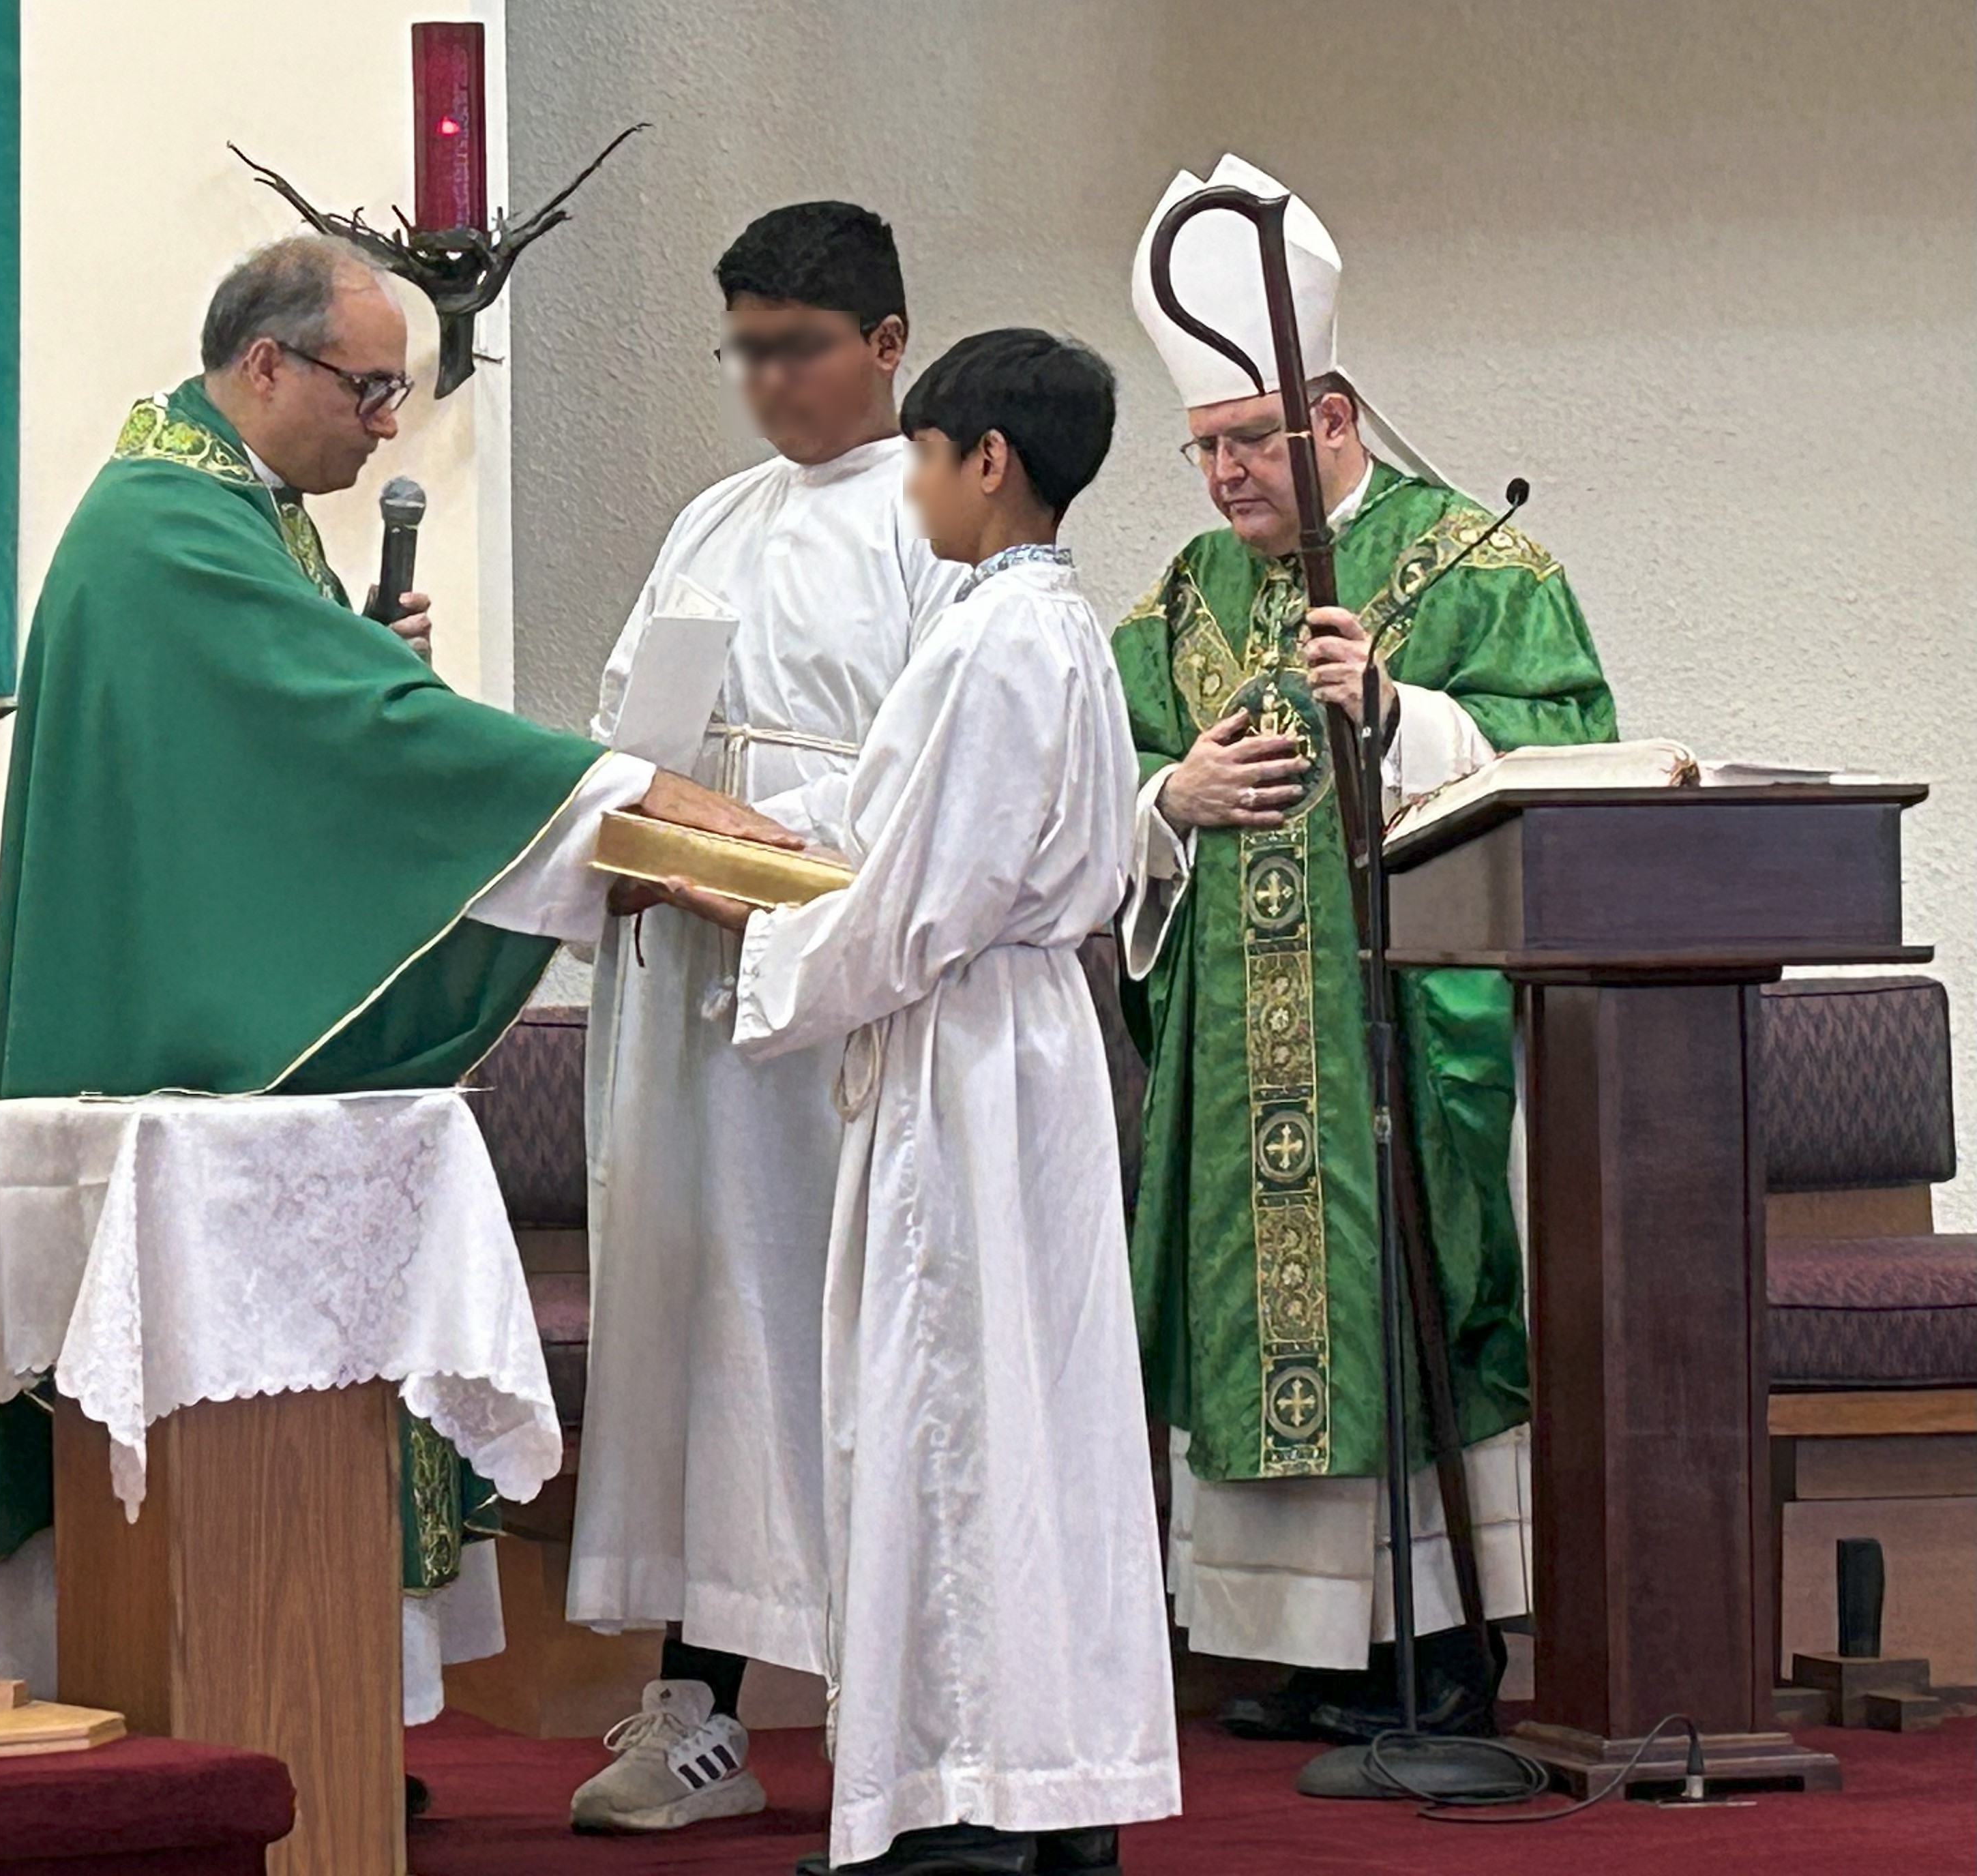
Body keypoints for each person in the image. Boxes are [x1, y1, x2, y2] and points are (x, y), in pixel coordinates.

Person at [0, 233, 792, 1708]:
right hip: (167, 1055)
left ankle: (309, 1709)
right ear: (265, 364)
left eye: (400, 395)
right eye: (368, 391)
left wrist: (348, 661)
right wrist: (611, 800)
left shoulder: (224, 506)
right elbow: (359, 751)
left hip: (197, 1047)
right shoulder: (164, 526)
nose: (388, 426)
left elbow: (263, 765)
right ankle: (218, 1696)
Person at [658, 329, 1178, 1876]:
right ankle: (1046, 1779)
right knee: (1025, 1421)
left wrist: (756, 933)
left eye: (923, 459)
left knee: (947, 1413)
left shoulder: (992, 642)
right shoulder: (1040, 625)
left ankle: (962, 1801)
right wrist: (749, 832)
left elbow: (915, 906)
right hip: (1018, 1058)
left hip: (963, 1060)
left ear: (986, 463)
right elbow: (896, 817)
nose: (908, 489)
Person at [1113, 155, 1616, 1741]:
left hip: (1400, 1019)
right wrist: (1169, 795)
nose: (1220, 483)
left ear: (1330, 416)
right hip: (1232, 1033)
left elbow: (1575, 759)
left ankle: (1445, 1642)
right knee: (1251, 1307)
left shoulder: (1477, 565)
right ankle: (1307, 1642)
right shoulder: (1189, 593)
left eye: (1245, 443)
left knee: (1411, 1287)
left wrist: (1405, 716)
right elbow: (1086, 770)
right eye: (1200, 450)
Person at [566, 203, 962, 1834]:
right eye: (743, 348)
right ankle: (696, 1708)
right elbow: (621, 726)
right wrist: (634, 834)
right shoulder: (711, 518)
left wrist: (765, 859)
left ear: (884, 344)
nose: (765, 381)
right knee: (685, 1330)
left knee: (828, 1328)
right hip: (682, 1005)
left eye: (794, 347)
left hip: (825, 1004)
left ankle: (895, 1707)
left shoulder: (935, 523)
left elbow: (945, 776)